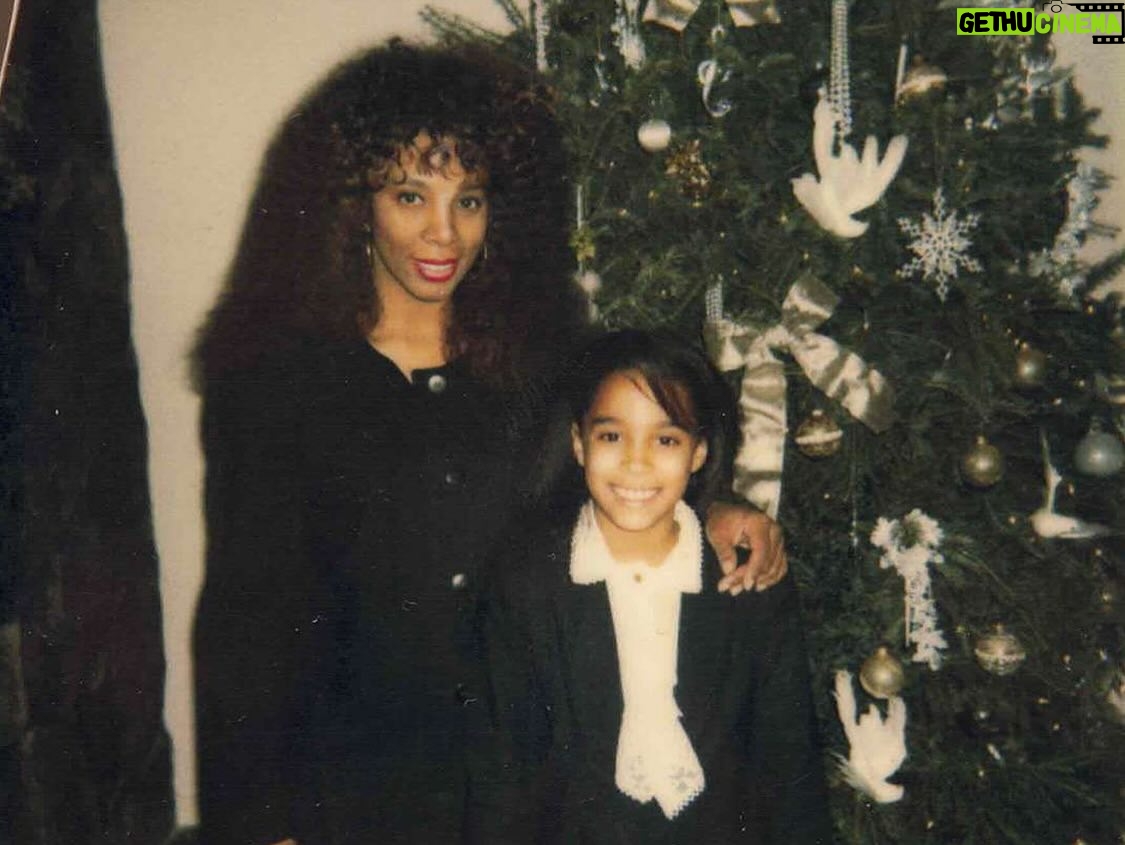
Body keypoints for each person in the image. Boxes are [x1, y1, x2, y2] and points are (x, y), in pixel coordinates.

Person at [192, 41, 787, 845]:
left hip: (537, 784)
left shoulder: (549, 358)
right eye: (410, 196)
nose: (442, 234)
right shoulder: (276, 384)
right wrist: (266, 825)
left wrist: (712, 512)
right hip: (356, 793)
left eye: (468, 200)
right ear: (353, 204)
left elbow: (624, 477)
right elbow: (246, 627)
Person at [471, 330, 832, 844]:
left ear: (699, 452)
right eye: (611, 436)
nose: (636, 463)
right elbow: (502, 768)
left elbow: (790, 761)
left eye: (666, 440)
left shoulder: (747, 578)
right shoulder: (527, 582)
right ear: (578, 443)